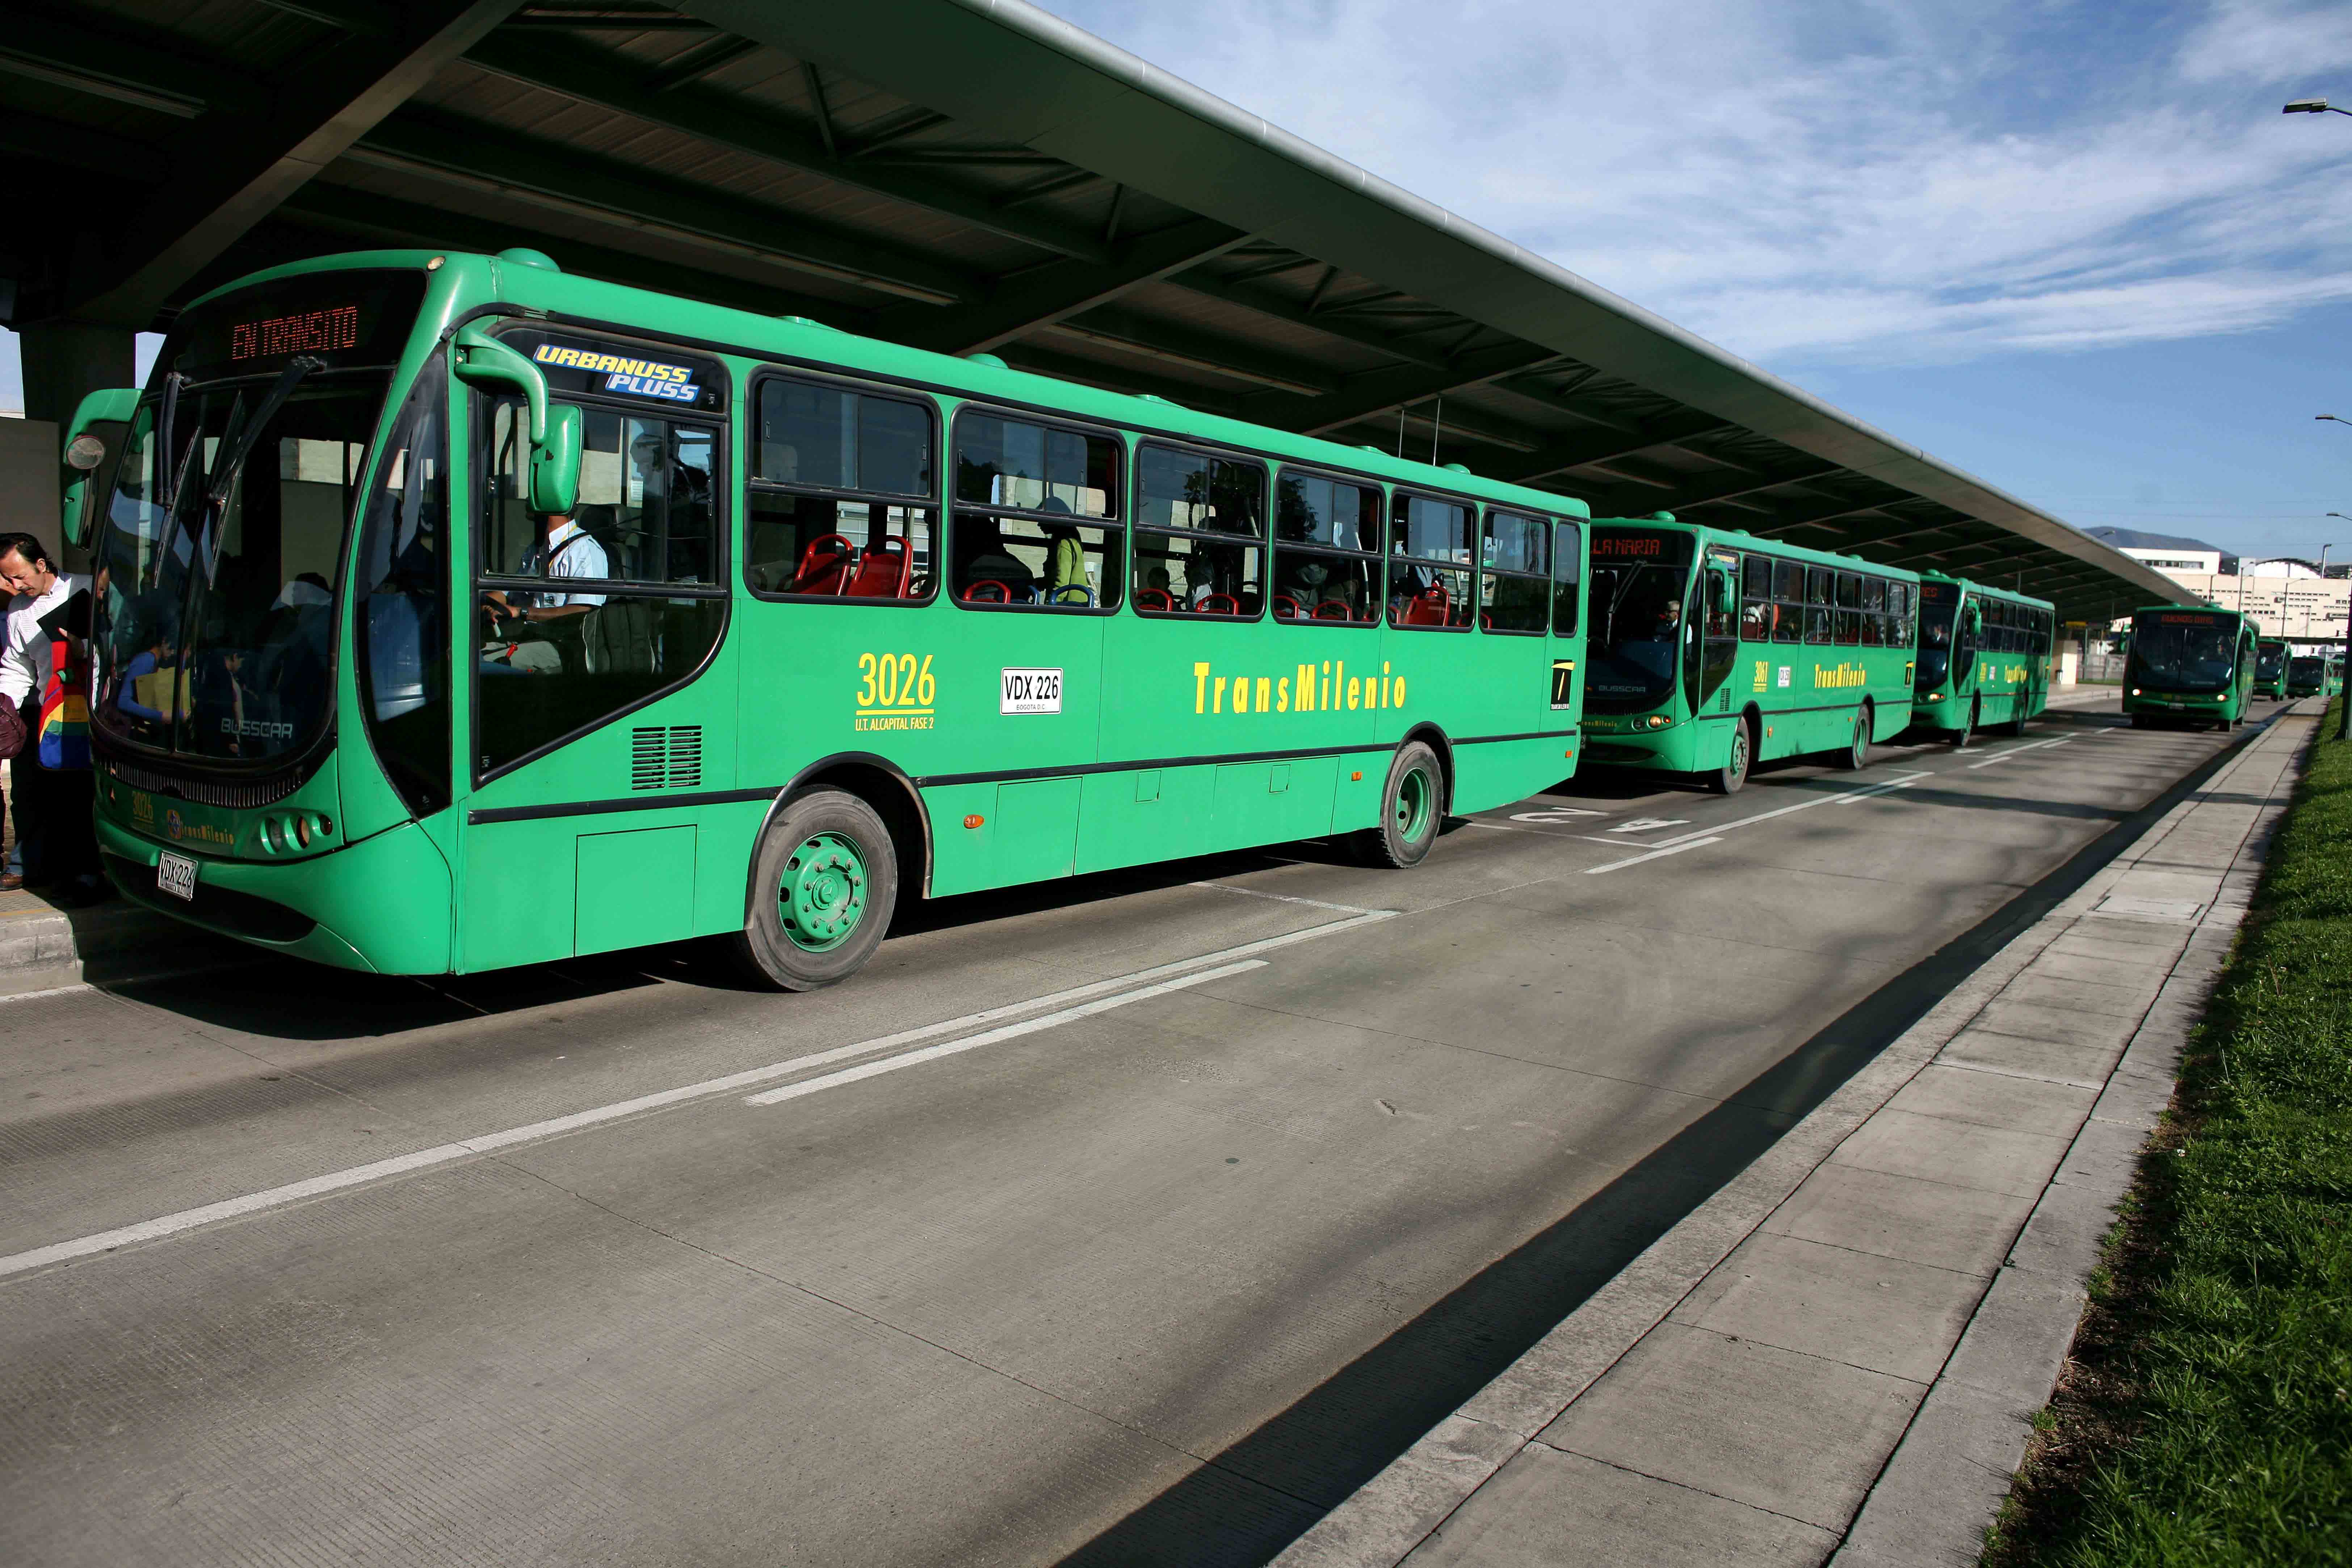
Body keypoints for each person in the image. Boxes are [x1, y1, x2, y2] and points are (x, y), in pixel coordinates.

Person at [0, 533, 103, 904]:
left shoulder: (86, 589)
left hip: (96, 712)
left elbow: (121, 648)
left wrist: (84, 649)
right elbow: (18, 665)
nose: (15, 586)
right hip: (54, 714)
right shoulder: (17, 611)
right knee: (47, 795)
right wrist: (3, 705)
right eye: (8, 579)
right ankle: (49, 869)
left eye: (20, 576)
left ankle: (88, 875)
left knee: (81, 797)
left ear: (41, 564)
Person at [483, 509, 607, 673]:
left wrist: (523, 612)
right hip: (528, 635)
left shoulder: (585, 550)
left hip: (563, 645)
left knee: (481, 667)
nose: (528, 499)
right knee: (466, 654)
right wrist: (487, 606)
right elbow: (510, 592)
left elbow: (583, 610)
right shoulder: (538, 548)